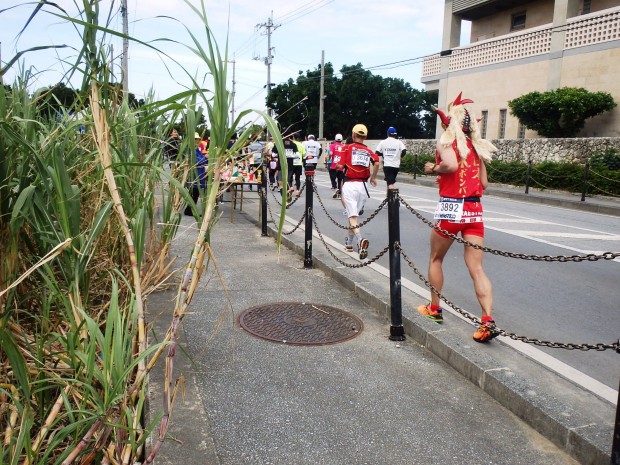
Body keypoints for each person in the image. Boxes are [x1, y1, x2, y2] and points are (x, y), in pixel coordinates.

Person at [417, 92, 499, 343]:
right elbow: (484, 183)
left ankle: (434, 309)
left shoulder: (446, 142)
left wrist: (434, 168)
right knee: (476, 267)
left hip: (452, 208)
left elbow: (450, 166)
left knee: (436, 257)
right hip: (475, 210)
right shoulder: (477, 147)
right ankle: (487, 321)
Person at [336, 124, 379, 260]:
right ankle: (349, 243)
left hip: (349, 185)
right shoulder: (369, 151)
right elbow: (377, 163)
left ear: (353, 135)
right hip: (363, 186)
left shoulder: (346, 148)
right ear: (365, 137)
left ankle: (360, 240)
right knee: (353, 215)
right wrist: (373, 177)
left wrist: (339, 164)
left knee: (352, 216)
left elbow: (339, 166)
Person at [184, 132, 209, 216]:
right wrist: (205, 157)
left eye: (196, 140)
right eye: (194, 139)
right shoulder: (189, 150)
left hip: (198, 174)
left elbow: (201, 160)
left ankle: (189, 210)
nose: (196, 141)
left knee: (195, 193)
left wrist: (206, 158)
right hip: (194, 175)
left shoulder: (196, 149)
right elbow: (196, 161)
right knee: (194, 193)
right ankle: (189, 210)